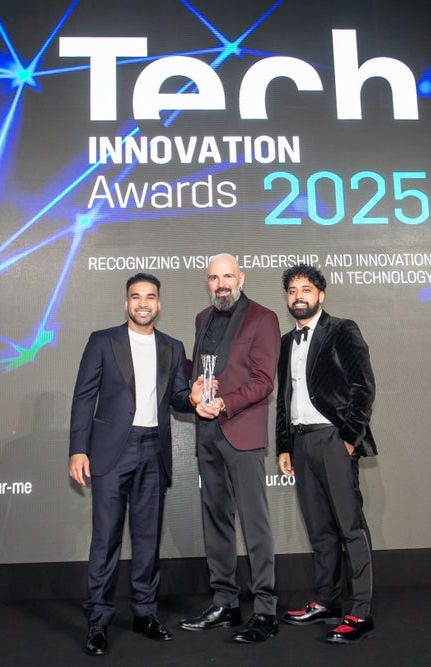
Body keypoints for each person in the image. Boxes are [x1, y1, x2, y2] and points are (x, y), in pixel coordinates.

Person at [69, 273, 202, 656]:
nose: (143, 303)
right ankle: (98, 620)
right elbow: (84, 397)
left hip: (154, 450)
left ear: (159, 303)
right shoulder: (102, 341)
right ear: (126, 303)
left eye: (150, 297)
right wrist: (78, 449)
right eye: (136, 296)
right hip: (111, 451)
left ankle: (145, 613)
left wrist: (193, 397)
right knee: (106, 538)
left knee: (147, 538)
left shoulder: (173, 347)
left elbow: (178, 398)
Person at [178, 253, 281, 643]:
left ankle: (266, 610)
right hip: (207, 433)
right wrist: (195, 390)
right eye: (213, 278)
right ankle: (225, 602)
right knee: (216, 519)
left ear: (241, 277)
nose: (221, 284)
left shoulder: (263, 318)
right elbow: (204, 373)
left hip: (241, 432)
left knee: (255, 522)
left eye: (227, 276)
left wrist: (223, 403)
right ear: (207, 282)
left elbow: (263, 381)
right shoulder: (202, 319)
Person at [275, 263, 377, 644]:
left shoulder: (343, 330)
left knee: (350, 528)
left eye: (306, 289)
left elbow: (363, 387)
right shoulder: (286, 342)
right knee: (319, 530)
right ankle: (326, 601)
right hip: (301, 444)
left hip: (334, 439)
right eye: (292, 291)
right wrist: (284, 446)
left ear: (321, 294)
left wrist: (348, 438)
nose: (298, 296)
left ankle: (360, 612)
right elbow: (283, 399)